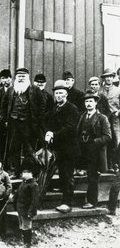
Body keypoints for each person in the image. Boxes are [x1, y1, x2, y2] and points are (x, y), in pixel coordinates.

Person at [0, 68, 45, 178]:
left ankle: (28, 171)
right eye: (19, 76)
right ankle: (15, 171)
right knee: (14, 147)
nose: (21, 78)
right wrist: (2, 119)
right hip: (14, 123)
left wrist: (37, 122)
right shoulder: (10, 90)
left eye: (23, 76)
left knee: (29, 149)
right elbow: (4, 106)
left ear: (28, 78)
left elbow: (42, 106)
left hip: (29, 124)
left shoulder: (35, 90)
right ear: (16, 78)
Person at [45, 80, 80, 213]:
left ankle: (67, 203)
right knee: (61, 175)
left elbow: (70, 128)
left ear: (66, 94)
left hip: (68, 149)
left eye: (61, 93)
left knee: (67, 176)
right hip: (57, 148)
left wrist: (53, 134)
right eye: (56, 93)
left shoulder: (72, 108)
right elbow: (49, 122)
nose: (58, 95)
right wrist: (48, 132)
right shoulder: (54, 108)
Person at [77, 90, 111, 209]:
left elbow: (108, 136)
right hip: (84, 151)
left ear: (96, 103)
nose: (88, 104)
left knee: (93, 177)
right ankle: (87, 199)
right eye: (86, 101)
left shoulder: (102, 118)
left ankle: (92, 201)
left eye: (91, 101)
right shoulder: (83, 116)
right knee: (87, 176)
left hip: (96, 153)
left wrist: (94, 142)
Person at [99, 68, 120, 173]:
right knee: (104, 140)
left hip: (115, 119)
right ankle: (104, 166)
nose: (108, 79)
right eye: (106, 77)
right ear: (104, 78)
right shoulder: (100, 90)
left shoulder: (118, 90)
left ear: (113, 78)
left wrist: (118, 112)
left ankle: (114, 163)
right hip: (102, 119)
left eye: (110, 77)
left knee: (115, 141)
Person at [13, 166, 39, 247]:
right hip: (20, 209)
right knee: (22, 226)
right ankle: (24, 241)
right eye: (23, 172)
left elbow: (34, 200)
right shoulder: (23, 183)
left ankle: (27, 243)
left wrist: (31, 211)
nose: (23, 174)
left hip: (27, 210)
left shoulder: (33, 185)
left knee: (26, 226)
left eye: (26, 172)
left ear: (31, 174)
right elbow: (18, 194)